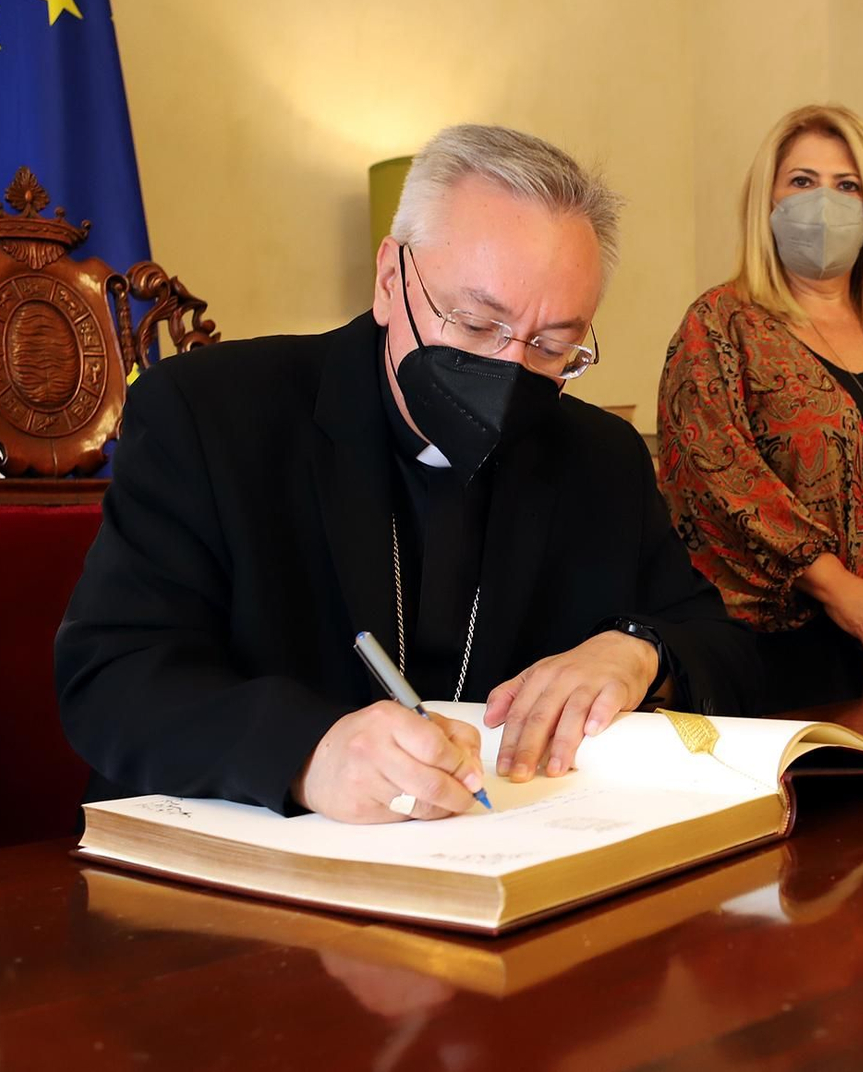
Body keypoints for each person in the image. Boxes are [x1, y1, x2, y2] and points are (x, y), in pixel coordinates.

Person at [56, 124, 760, 825]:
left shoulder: (599, 456)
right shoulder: (211, 414)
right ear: (390, 280)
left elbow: (726, 649)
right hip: (246, 893)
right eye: (477, 323)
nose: (508, 371)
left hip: (510, 874)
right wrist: (308, 752)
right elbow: (112, 677)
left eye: (552, 346)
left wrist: (640, 650)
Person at [658, 104, 863, 711]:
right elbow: (717, 482)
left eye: (847, 186)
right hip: (780, 661)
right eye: (802, 181)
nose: (824, 203)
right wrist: (836, 586)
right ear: (767, 200)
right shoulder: (719, 325)